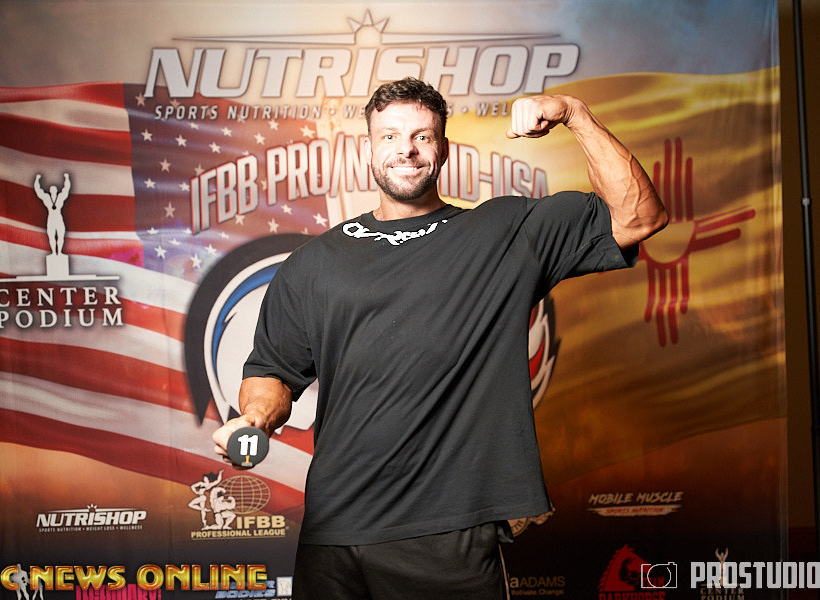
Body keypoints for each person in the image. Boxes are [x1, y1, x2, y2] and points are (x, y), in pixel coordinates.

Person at [212, 77, 667, 600]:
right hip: (334, 530)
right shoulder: (313, 263)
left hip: (448, 530)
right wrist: (254, 418)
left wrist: (574, 113)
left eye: (421, 137)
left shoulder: (505, 232)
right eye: (389, 136)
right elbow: (273, 369)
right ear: (368, 148)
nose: (405, 149)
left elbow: (640, 217)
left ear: (443, 149)